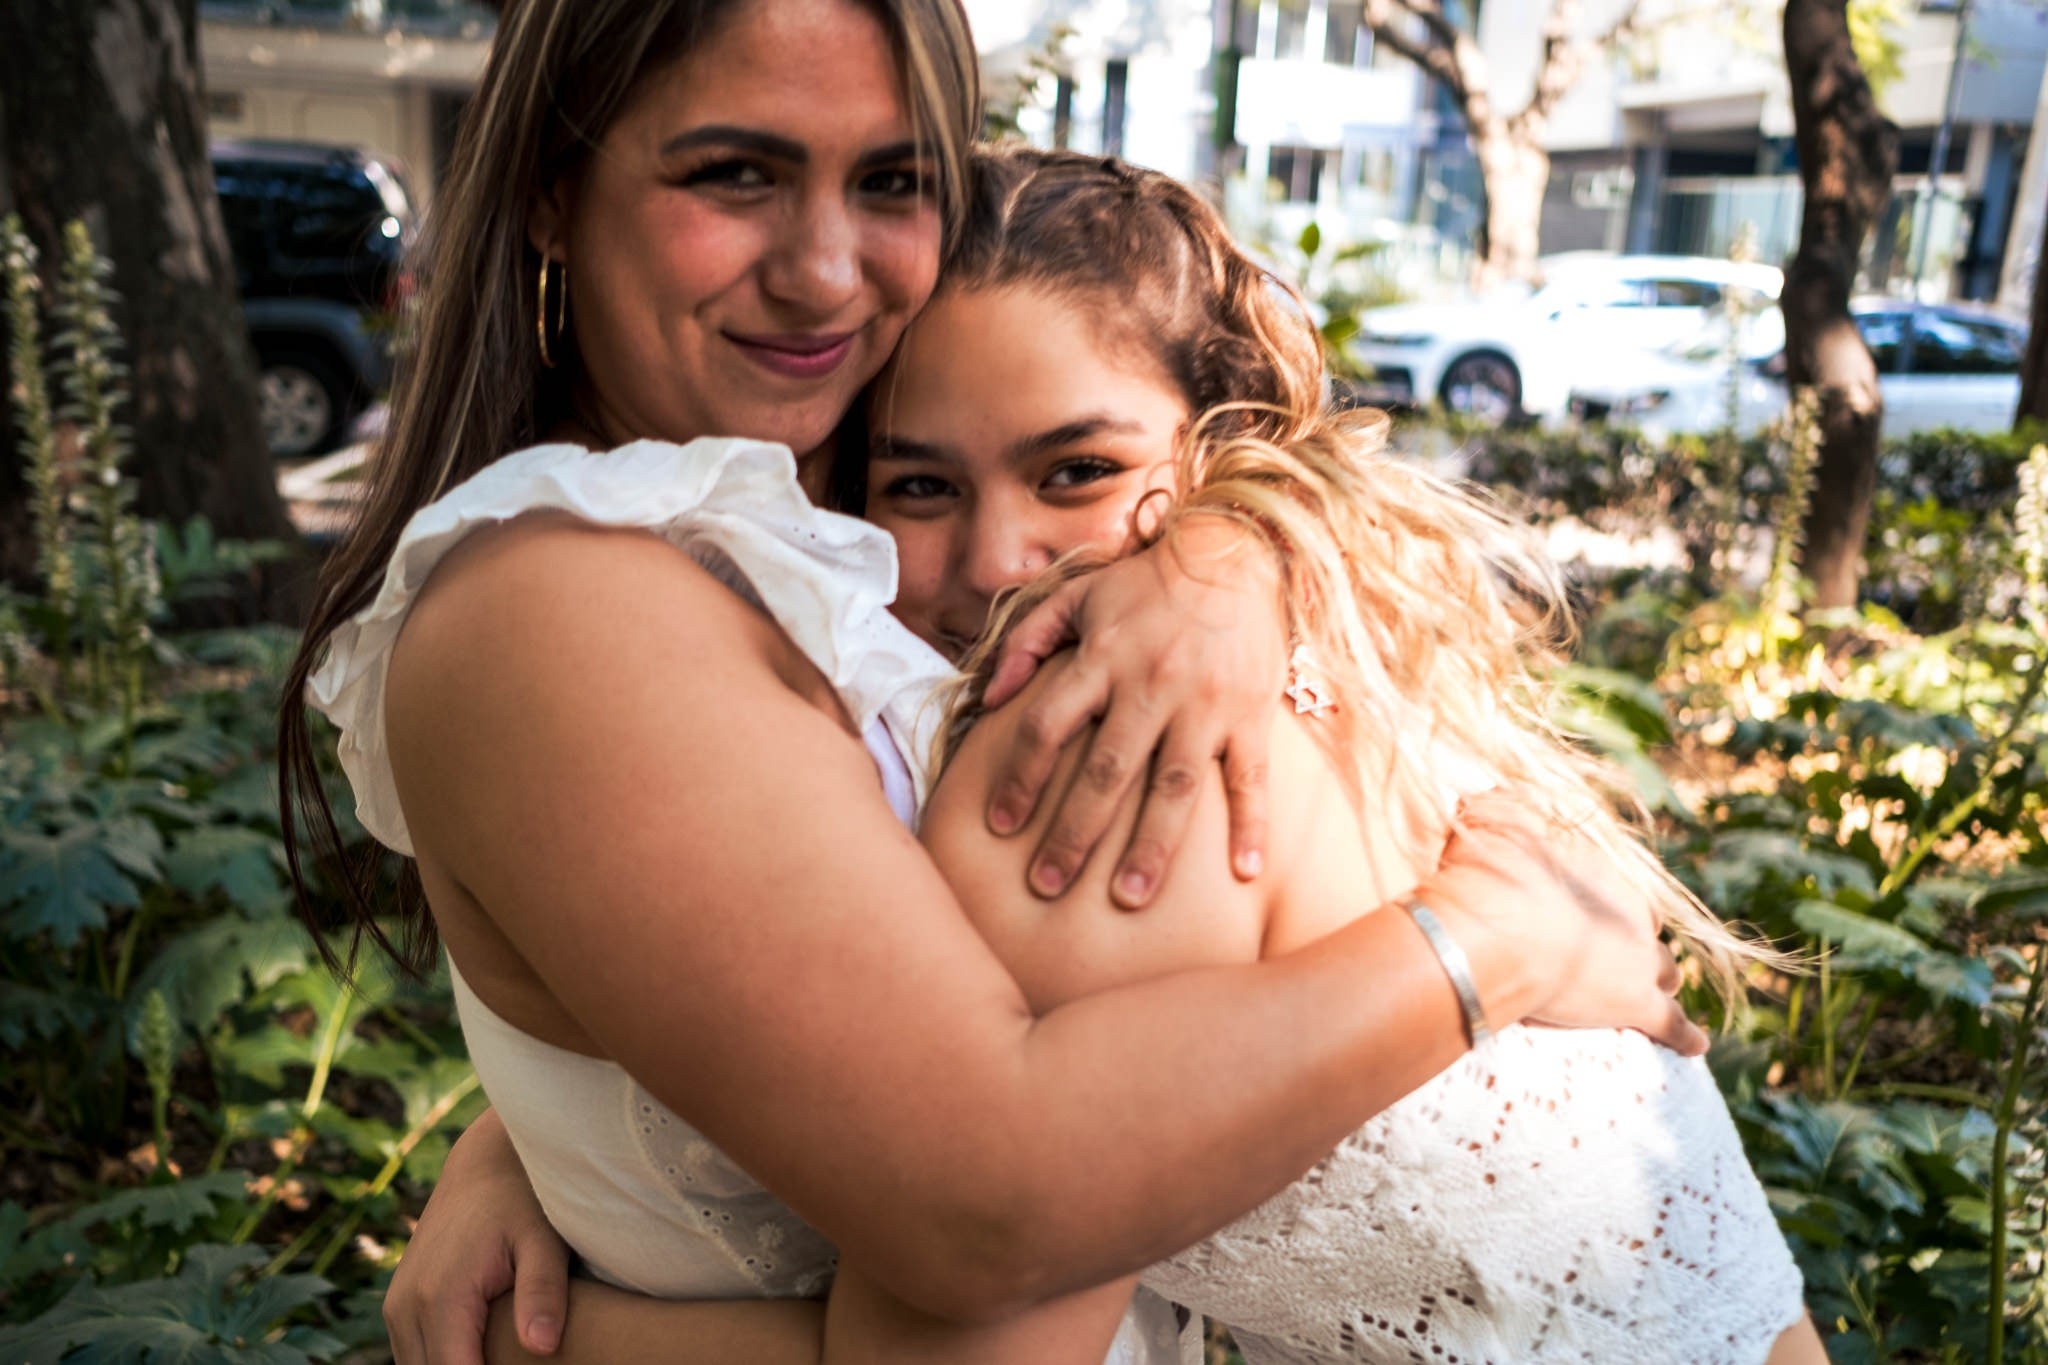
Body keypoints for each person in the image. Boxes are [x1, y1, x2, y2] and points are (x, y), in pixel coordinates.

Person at [280, 3, 1705, 1363]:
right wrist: (1486, 946)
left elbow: (763, 990)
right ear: (547, 185)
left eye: (892, 180)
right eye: (734, 173)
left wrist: (1227, 552)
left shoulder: (816, 557)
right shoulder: (568, 603)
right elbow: (989, 1203)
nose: (828, 270)